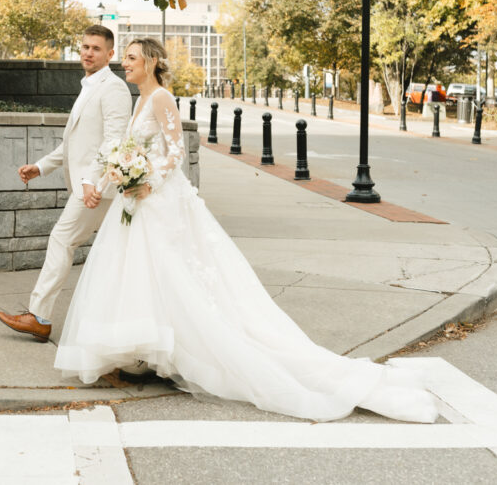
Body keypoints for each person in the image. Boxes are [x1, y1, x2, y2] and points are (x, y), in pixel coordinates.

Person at [53, 38, 439, 423]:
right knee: (141, 277)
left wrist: (148, 182)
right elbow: (125, 150)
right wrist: (103, 184)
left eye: (132, 58)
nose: (126, 64)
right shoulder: (139, 101)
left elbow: (174, 153)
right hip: (137, 203)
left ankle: (177, 352)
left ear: (151, 62)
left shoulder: (161, 99)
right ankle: (144, 353)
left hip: (158, 202)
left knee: (173, 277)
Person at [0, 26, 133, 342]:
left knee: (61, 239)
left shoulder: (113, 89)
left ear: (110, 54)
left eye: (96, 48)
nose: (88, 52)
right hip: (90, 185)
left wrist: (90, 182)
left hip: (98, 188)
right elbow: (74, 143)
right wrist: (40, 167)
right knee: (97, 249)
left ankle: (39, 317)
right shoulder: (89, 86)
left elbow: (113, 142)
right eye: (85, 46)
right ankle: (43, 317)